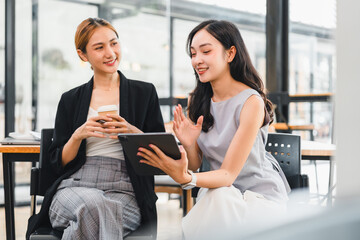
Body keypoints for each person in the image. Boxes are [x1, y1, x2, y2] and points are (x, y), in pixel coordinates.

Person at [137, 20, 290, 238]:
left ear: (230, 54)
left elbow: (227, 175)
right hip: (220, 196)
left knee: (219, 198)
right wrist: (190, 144)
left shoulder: (251, 102)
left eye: (206, 51)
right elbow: (197, 163)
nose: (197, 60)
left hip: (259, 198)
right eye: (193, 54)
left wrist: (187, 178)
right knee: (219, 197)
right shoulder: (198, 100)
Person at [26, 17, 165, 240]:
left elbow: (161, 153)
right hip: (74, 187)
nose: (110, 53)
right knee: (95, 205)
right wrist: (78, 135)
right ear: (83, 55)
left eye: (114, 43)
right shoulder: (70, 99)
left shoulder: (144, 93)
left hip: (126, 191)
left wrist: (132, 131)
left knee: (92, 215)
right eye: (99, 47)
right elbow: (56, 163)